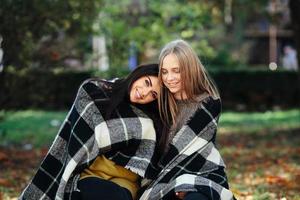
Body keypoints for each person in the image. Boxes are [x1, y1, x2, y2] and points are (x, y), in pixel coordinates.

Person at [19, 63, 163, 200]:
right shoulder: (96, 93)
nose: (144, 93)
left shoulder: (149, 119)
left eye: (153, 94)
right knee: (88, 193)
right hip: (91, 173)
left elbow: (147, 157)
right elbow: (75, 138)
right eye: (146, 82)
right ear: (139, 74)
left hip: (124, 180)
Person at [139, 40, 235, 200]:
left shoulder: (208, 104)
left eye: (176, 71)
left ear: (189, 69)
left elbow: (192, 154)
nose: (169, 78)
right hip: (162, 180)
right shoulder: (157, 102)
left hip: (203, 175)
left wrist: (186, 184)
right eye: (164, 72)